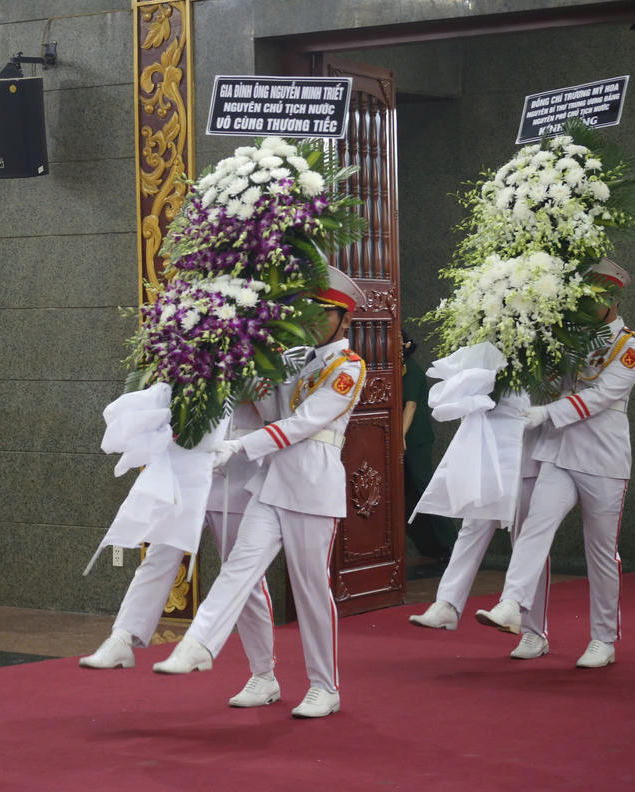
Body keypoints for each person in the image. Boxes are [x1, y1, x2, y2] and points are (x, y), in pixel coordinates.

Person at [151, 266, 365, 719]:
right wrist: (247, 376)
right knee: (238, 568)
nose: (310, 318)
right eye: (306, 308)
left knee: (310, 589)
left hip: (312, 485)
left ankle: (325, 686)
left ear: (344, 319)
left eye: (322, 312)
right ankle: (200, 643)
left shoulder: (349, 367)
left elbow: (305, 423)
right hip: (272, 481)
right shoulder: (295, 359)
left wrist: (239, 445)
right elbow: (271, 410)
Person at [474, 259, 635, 669]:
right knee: (535, 526)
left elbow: (603, 396)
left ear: (614, 301)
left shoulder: (631, 346)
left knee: (600, 552)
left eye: (596, 301)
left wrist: (548, 413)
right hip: (560, 452)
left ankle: (603, 638)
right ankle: (514, 605)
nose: (587, 308)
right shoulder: (568, 339)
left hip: (603, 458)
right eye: (583, 300)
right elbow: (549, 381)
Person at [79, 403, 279, 708]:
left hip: (237, 475)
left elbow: (274, 406)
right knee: (158, 555)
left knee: (244, 581)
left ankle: (264, 674)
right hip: (188, 469)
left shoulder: (262, 354)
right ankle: (123, 637)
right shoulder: (184, 354)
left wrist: (246, 380)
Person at [408, 423, 553, 659]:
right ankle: (448, 603)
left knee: (526, 538)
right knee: (473, 524)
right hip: (490, 443)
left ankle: (533, 630)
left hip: (528, 443)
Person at [401, 331, 455, 560]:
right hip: (404, 439)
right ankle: (431, 547)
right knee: (407, 495)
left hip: (416, 440)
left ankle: (452, 543)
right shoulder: (396, 369)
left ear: (406, 344)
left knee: (425, 489)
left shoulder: (411, 369)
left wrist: (399, 436)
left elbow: (410, 406)